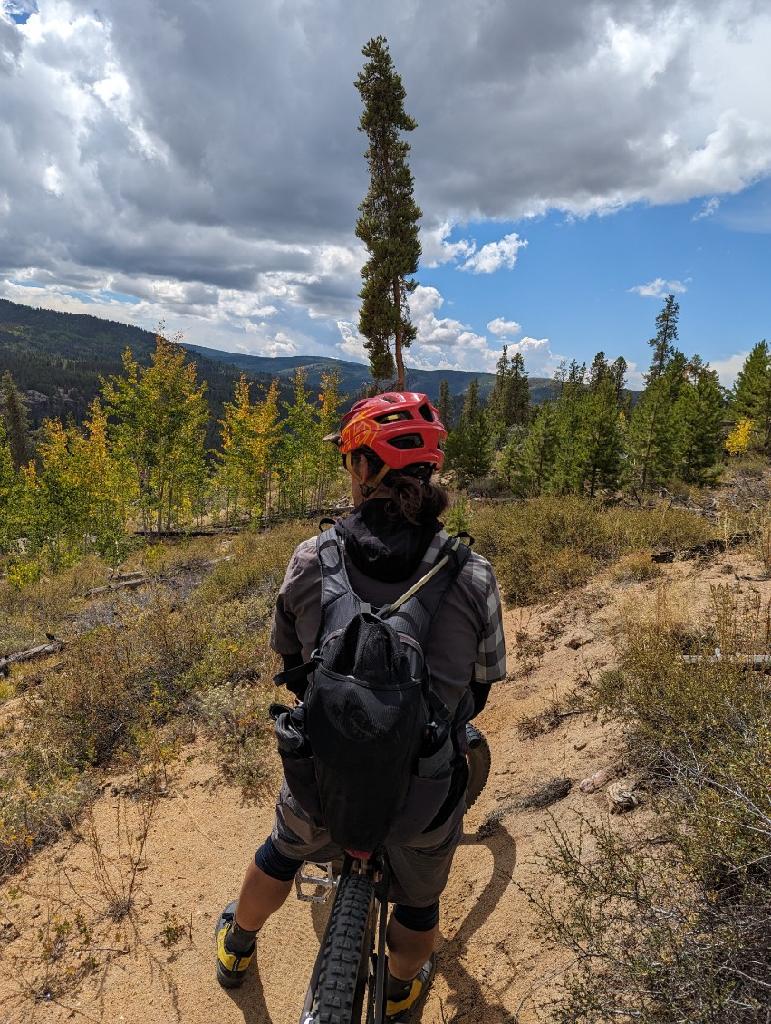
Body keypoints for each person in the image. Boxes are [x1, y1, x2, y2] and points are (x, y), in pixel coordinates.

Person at [215, 391, 506, 1022]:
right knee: (421, 900)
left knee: (282, 850)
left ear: (364, 469)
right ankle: (400, 987)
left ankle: (237, 946)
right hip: (422, 796)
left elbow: (287, 654)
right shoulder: (472, 573)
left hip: (325, 780)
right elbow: (484, 682)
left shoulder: (313, 557)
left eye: (349, 459)